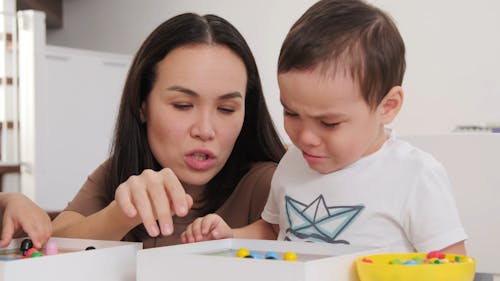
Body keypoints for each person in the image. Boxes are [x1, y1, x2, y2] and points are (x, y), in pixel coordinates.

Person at [181, 0, 467, 254]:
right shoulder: (293, 161)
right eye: (291, 113)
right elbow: (271, 230)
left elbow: (452, 265)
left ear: (387, 106)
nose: (305, 137)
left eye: (329, 123)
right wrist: (230, 235)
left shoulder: (414, 175)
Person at [51, 13, 286, 248]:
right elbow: (52, 245)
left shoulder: (270, 184)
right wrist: (120, 215)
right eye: (183, 105)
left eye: (226, 109)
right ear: (142, 105)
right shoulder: (121, 172)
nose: (205, 130)